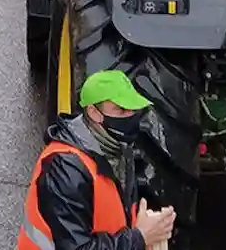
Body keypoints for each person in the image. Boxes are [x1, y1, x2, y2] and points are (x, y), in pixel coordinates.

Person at [18, 70, 177, 250]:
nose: (130, 117)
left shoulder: (119, 149)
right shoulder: (64, 168)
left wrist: (150, 230)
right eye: (121, 110)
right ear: (94, 112)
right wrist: (139, 238)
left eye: (133, 109)